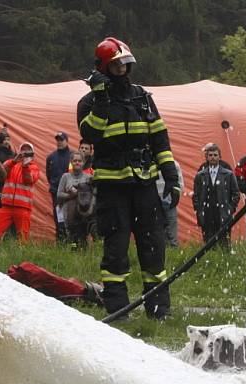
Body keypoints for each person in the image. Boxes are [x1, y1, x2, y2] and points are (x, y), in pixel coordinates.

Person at [77, 37, 180, 320]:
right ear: (103, 68)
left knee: (153, 246)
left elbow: (160, 139)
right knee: (116, 250)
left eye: (125, 64)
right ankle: (118, 311)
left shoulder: (142, 97)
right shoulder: (88, 103)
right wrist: (101, 99)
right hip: (112, 188)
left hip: (144, 184)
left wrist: (171, 177)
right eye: (117, 65)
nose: (123, 70)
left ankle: (158, 311)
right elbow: (91, 135)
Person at [192, 143, 241, 247]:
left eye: (215, 155)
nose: (213, 157)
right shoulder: (200, 175)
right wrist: (199, 209)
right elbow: (195, 195)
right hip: (207, 212)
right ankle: (210, 260)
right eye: (210, 155)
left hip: (223, 212)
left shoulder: (228, 174)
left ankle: (224, 260)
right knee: (207, 242)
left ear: (220, 157)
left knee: (224, 242)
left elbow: (236, 193)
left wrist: (230, 208)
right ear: (207, 157)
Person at [0, 142, 40, 243]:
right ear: (19, 152)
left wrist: (25, 167)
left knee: (22, 238)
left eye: (28, 151)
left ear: (32, 155)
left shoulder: (34, 167)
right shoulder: (11, 163)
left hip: (23, 208)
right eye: (23, 150)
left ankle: (21, 257)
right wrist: (14, 161)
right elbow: (1, 172)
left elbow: (29, 180)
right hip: (6, 206)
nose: (25, 153)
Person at [57, 151, 94, 249]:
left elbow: (94, 195)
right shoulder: (65, 176)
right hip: (69, 213)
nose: (77, 163)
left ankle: (84, 256)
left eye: (79, 161)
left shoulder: (89, 177)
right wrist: (71, 196)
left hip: (85, 212)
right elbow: (59, 194)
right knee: (72, 238)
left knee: (83, 237)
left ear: (83, 162)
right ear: (71, 162)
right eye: (75, 161)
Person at [47, 132, 71, 242]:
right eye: (58, 140)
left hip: (71, 194)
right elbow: (49, 174)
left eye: (61, 140)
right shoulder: (51, 157)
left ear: (67, 141)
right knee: (59, 219)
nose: (59, 142)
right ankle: (61, 243)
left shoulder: (73, 156)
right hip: (56, 193)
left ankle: (73, 244)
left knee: (72, 219)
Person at [157, 162, 183, 247]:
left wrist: (176, 196)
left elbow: (180, 183)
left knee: (171, 226)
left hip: (169, 201)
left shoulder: (175, 165)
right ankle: (160, 247)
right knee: (157, 228)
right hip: (154, 202)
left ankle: (173, 247)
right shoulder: (152, 164)